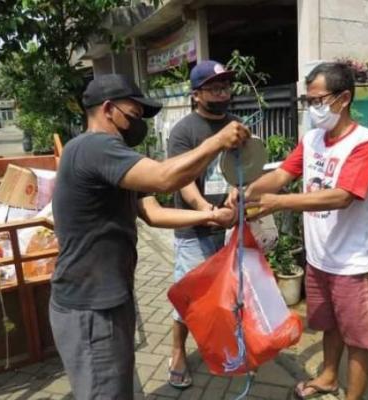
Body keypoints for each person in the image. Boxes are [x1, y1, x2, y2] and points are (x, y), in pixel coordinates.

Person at [50, 74, 249, 400]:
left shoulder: (112, 159)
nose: (138, 123)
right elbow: (162, 178)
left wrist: (210, 215)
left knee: (118, 386)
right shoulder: (93, 147)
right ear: (109, 109)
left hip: (110, 297)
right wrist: (216, 141)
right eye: (133, 115)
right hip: (89, 307)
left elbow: (153, 213)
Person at [227, 62, 368, 400]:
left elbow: (343, 196)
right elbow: (282, 175)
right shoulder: (312, 139)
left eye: (318, 100)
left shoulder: (365, 144)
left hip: (352, 262)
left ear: (343, 99)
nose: (313, 108)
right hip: (320, 257)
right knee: (328, 324)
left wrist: (280, 203)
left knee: (357, 339)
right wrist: (248, 190)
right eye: (308, 101)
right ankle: (328, 377)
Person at [166, 60, 239, 389]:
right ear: (197, 95)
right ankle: (177, 352)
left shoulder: (235, 125)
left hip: (230, 226)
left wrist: (238, 191)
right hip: (195, 229)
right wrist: (208, 210)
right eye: (215, 88)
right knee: (188, 297)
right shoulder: (184, 131)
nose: (222, 93)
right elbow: (182, 180)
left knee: (227, 293)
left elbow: (244, 166)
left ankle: (219, 344)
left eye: (225, 86)